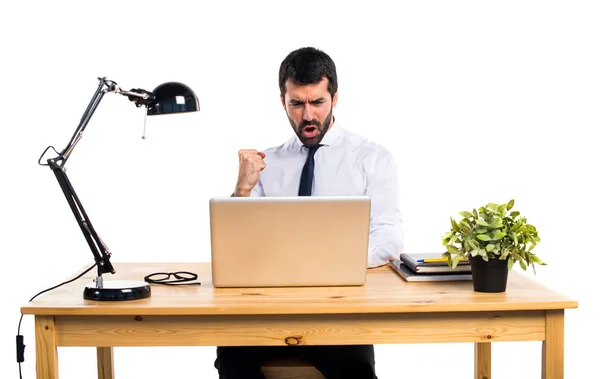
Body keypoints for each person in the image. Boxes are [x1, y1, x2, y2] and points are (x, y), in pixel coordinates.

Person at [214, 47, 404, 379]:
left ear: (335, 98)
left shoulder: (371, 159)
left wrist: (330, 263)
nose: (308, 115)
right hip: (268, 309)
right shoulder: (266, 163)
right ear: (283, 101)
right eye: (297, 104)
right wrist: (242, 191)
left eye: (317, 102)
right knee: (231, 361)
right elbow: (237, 247)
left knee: (355, 371)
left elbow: (388, 238)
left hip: (339, 310)